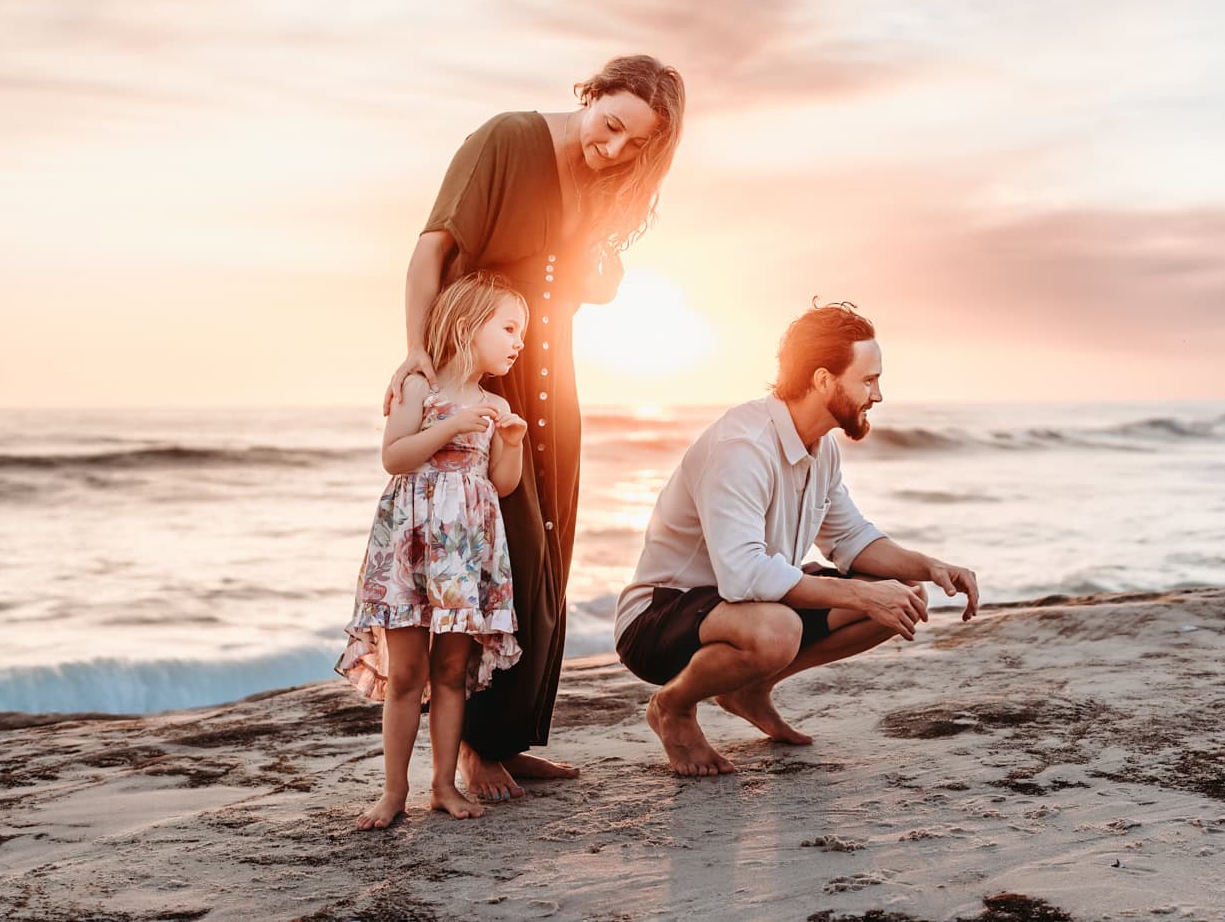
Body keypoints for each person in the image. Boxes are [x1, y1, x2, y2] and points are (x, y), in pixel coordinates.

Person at [383, 54, 685, 802]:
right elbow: (432, 251)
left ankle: (512, 741)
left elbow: (588, 285)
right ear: (590, 93)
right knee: (499, 554)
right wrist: (420, 355)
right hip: (488, 377)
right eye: (610, 125)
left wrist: (605, 239)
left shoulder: (604, 183)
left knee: (548, 558)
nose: (612, 149)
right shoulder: (507, 140)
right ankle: (474, 748)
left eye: (633, 146)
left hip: (555, 381)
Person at [614, 303, 980, 776]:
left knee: (905, 597)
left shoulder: (820, 447)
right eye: (868, 380)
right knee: (781, 628)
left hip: (744, 608)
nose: (879, 395)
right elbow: (744, 575)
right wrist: (864, 593)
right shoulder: (742, 446)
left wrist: (929, 567)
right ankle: (674, 706)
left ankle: (748, 689)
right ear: (825, 380)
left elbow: (850, 538)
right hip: (659, 618)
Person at [341, 272, 529, 828]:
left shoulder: (493, 403)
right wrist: (451, 427)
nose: (519, 341)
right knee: (406, 673)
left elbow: (501, 483)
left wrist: (511, 444)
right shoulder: (419, 387)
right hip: (412, 542)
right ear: (469, 326)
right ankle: (392, 792)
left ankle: (443, 784)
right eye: (510, 328)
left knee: (451, 669)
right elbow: (395, 457)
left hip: (465, 552)